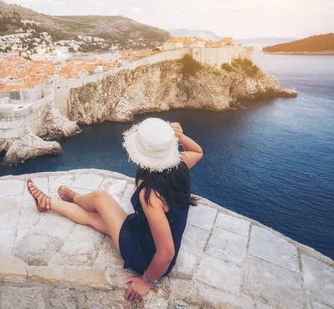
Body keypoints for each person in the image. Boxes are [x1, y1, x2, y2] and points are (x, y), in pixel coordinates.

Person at [27, 117, 203, 303]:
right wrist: (181, 136)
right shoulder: (179, 164)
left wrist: (146, 281)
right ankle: (49, 203)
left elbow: (166, 253)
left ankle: (73, 199)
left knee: (99, 199)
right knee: (96, 217)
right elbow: (198, 151)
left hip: (147, 256)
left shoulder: (151, 196)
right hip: (146, 233)